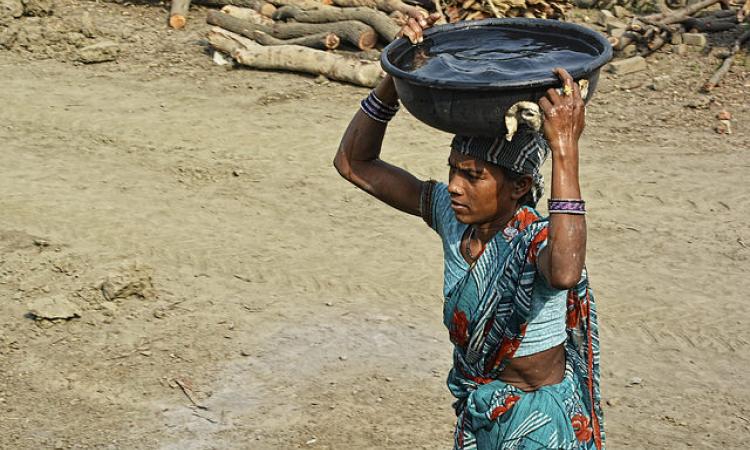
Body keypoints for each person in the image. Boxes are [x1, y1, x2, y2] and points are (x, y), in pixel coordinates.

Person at [334, 13, 604, 450]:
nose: (455, 187)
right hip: (481, 412)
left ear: (518, 187)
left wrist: (564, 150)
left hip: (536, 423)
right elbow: (354, 163)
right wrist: (394, 79)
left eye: (473, 176)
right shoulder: (451, 216)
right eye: (453, 171)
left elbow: (565, 273)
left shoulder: (534, 239)